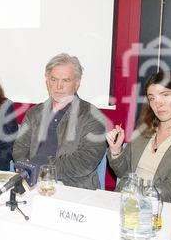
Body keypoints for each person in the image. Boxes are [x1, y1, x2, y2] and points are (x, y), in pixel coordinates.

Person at [107, 71, 171, 224]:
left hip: (160, 215)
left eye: (165, 95)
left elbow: (170, 191)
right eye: (152, 98)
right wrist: (116, 150)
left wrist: (130, 196)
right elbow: (124, 174)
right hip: (124, 207)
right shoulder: (143, 131)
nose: (158, 103)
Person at [13, 53, 106, 189]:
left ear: (77, 83)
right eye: (54, 79)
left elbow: (86, 161)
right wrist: (25, 166)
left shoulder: (92, 116)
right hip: (32, 183)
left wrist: (42, 168)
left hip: (72, 187)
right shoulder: (34, 113)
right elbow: (19, 147)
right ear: (47, 80)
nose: (58, 86)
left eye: (66, 80)